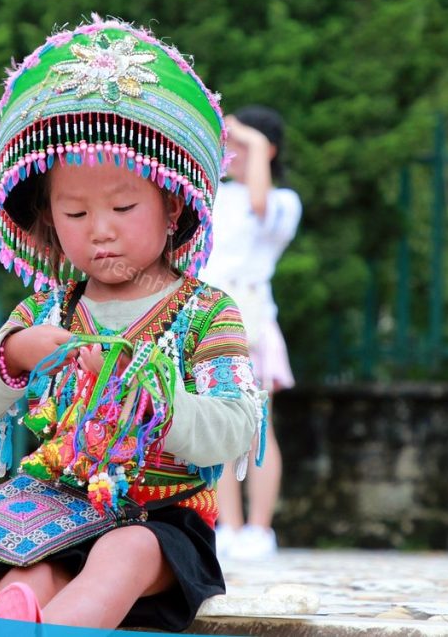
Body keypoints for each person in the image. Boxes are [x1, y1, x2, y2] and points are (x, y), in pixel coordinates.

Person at [0, 18, 266, 632]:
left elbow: (236, 424)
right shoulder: (44, 312)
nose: (100, 228)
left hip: (161, 518)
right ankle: (12, 611)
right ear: (49, 221)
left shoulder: (205, 312)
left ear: (172, 204)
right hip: (49, 512)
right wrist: (15, 355)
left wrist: (155, 404)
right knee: (25, 570)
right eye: (76, 211)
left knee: (124, 551)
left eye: (123, 206)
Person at [199, 106, 302, 561]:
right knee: (220, 424)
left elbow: (260, 206)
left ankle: (260, 529)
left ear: (267, 149)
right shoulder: (214, 197)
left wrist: (254, 143)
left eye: (244, 144)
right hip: (211, 317)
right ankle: (228, 526)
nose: (233, 153)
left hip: (253, 317)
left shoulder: (284, 202)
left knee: (259, 425)